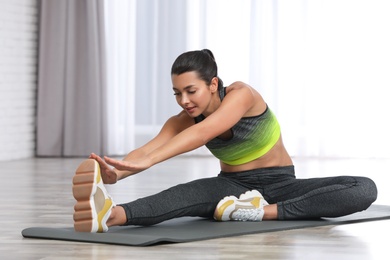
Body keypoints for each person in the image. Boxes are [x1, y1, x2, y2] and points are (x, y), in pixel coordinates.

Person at [72, 49, 377, 233]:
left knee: (363, 188)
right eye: (177, 93)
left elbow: (203, 133)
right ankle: (108, 215)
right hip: (230, 187)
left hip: (283, 184)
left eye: (191, 91)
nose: (183, 100)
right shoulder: (181, 120)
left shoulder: (242, 95)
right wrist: (118, 172)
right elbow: (148, 149)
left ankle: (258, 212)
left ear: (213, 83)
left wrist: (147, 162)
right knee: (183, 196)